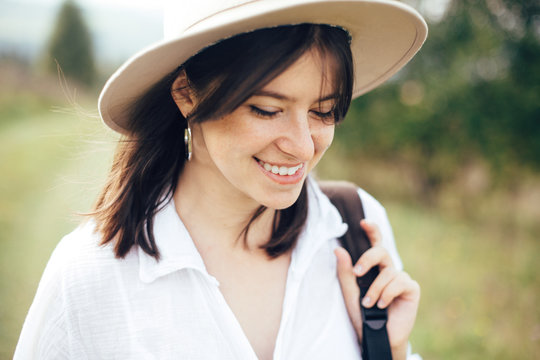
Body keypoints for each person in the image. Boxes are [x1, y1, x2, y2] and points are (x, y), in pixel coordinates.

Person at [15, 0, 428, 359]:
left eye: (323, 111)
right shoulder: (90, 277)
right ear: (187, 95)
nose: (304, 147)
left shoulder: (355, 233)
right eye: (267, 110)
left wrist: (385, 350)